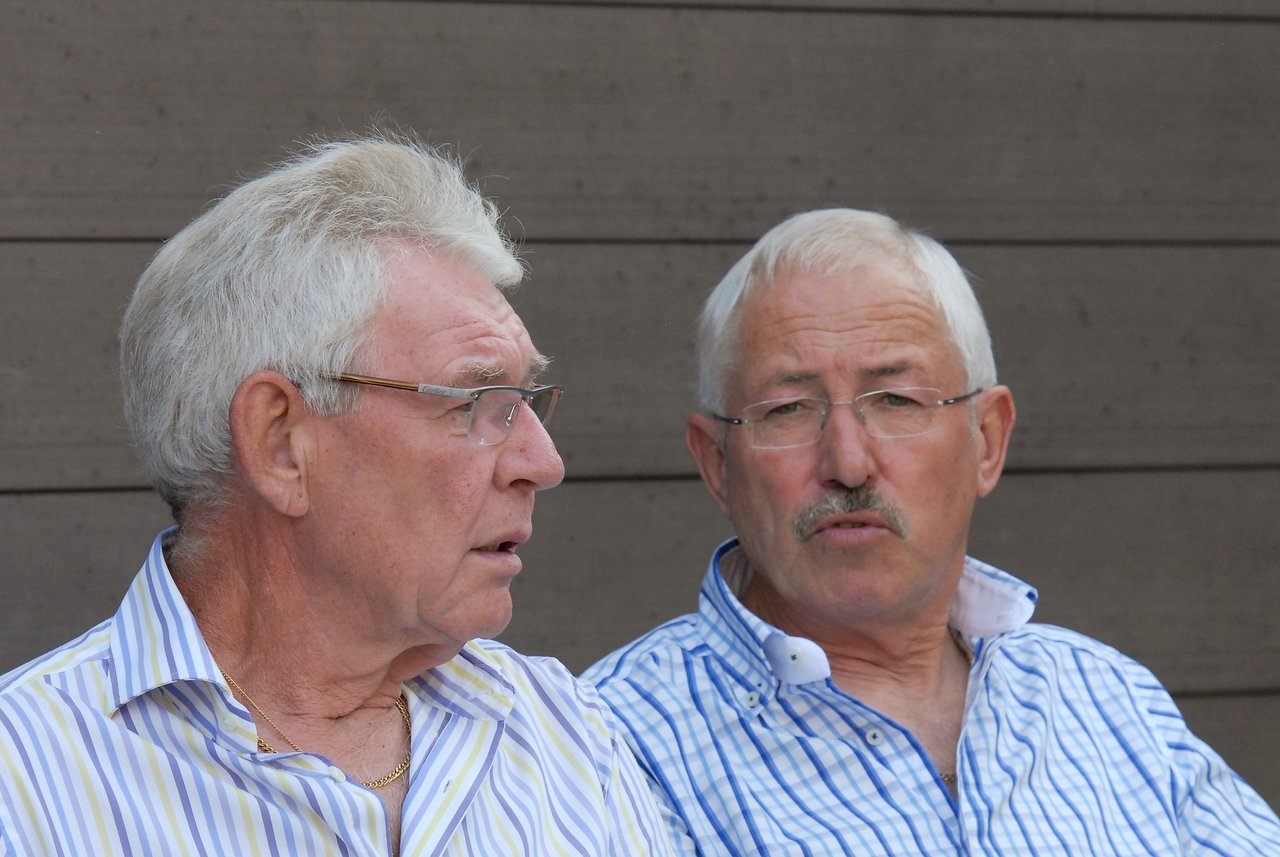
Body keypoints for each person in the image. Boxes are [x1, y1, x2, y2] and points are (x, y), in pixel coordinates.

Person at [0, 135, 673, 856]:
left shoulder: (564, 731)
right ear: (282, 442)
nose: (543, 461)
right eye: (476, 399)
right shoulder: (26, 780)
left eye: (528, 399)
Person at [583, 208, 1280, 855]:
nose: (848, 461)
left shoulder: (1103, 696)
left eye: (896, 398)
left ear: (987, 439)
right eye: (789, 408)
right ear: (717, 464)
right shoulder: (614, 745)